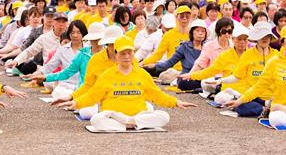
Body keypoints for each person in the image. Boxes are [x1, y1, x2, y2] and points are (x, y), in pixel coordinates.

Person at [54, 35, 196, 131]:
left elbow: (156, 94)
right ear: (116, 54)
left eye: (130, 53)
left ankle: (129, 123)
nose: (127, 57)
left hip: (136, 114)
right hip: (113, 114)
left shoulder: (142, 74)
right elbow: (92, 94)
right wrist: (75, 102)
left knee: (164, 117)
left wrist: (176, 102)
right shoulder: (107, 75)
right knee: (96, 120)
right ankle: (131, 123)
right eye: (123, 53)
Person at [182, 25, 250, 98]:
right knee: (220, 97)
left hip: (248, 91)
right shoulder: (225, 55)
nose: (242, 42)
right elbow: (211, 70)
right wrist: (191, 75)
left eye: (245, 39)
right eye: (239, 39)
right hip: (229, 91)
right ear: (233, 39)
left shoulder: (252, 55)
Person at [147, 19, 207, 91]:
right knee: (183, 83)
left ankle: (203, 88)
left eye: (203, 31)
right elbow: (169, 63)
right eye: (197, 31)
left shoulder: (207, 47)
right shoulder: (185, 47)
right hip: (187, 77)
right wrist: (154, 66)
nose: (200, 33)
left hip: (203, 77)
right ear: (192, 32)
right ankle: (203, 88)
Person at [141, 5, 192, 75]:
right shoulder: (168, 35)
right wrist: (143, 63)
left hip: (191, 70)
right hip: (173, 71)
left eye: (187, 16)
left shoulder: (193, 34)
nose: (185, 18)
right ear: (176, 18)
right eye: (182, 16)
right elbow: (158, 54)